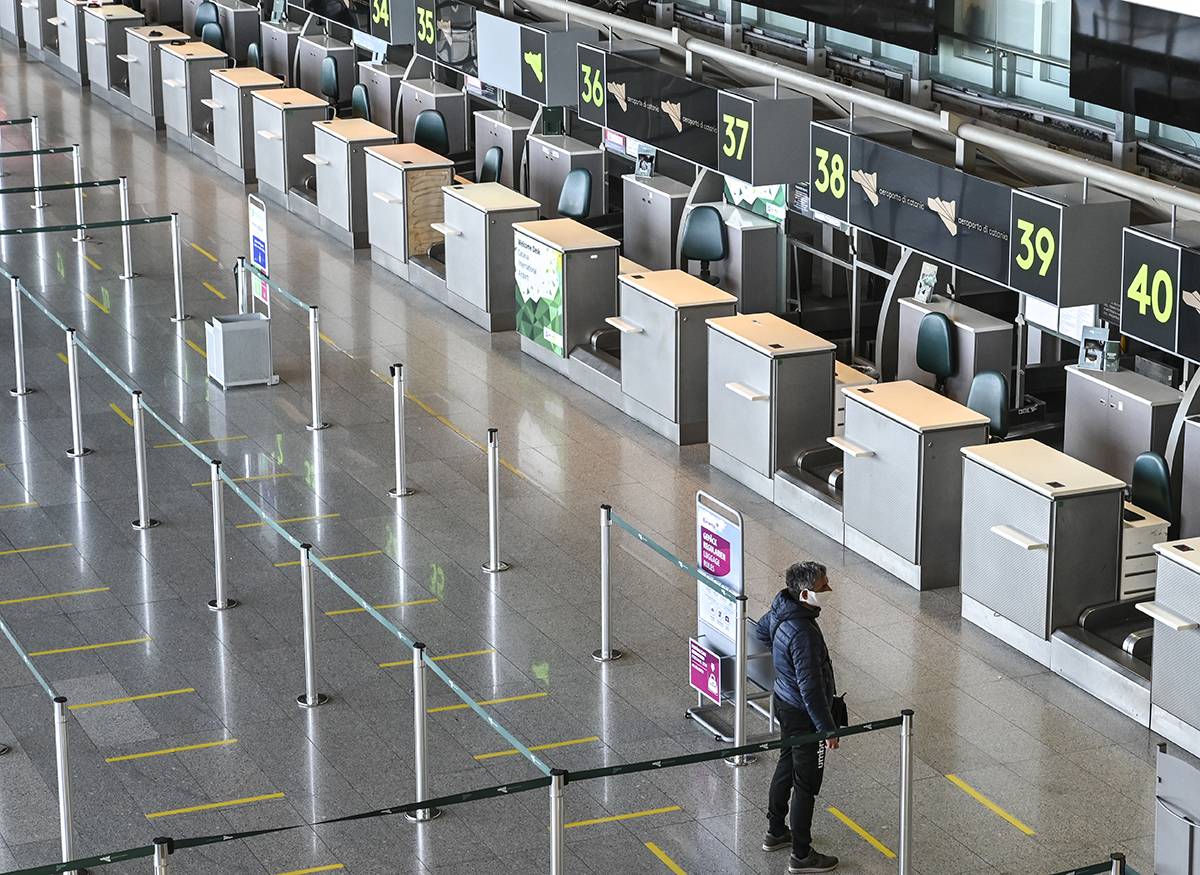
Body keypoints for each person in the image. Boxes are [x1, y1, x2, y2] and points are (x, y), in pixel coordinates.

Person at [756, 561, 840, 874]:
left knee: (786, 762)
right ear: (805, 593)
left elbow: (761, 632)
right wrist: (827, 729)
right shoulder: (803, 632)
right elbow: (812, 688)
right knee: (806, 783)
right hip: (805, 714)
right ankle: (802, 855)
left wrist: (784, 662)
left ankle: (776, 831)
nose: (828, 590)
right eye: (823, 587)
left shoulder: (783, 608)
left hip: (785, 703)